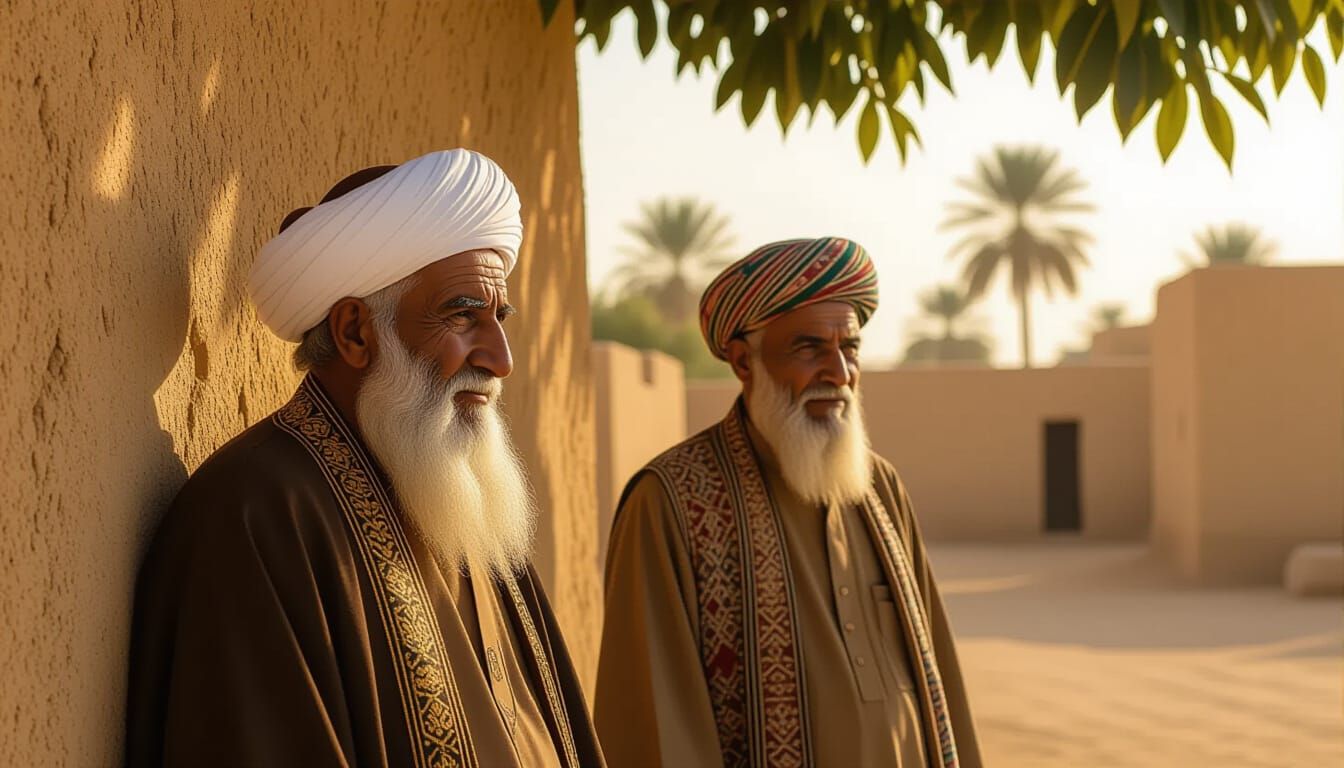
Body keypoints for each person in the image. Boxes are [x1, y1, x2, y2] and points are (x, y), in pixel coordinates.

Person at [126, 149, 603, 768]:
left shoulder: (466, 513)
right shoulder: (257, 514)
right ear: (355, 332)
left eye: (499, 318)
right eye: (461, 315)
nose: (500, 357)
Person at [594, 237, 981, 768]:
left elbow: (943, 684)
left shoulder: (880, 488)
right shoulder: (672, 502)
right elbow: (657, 729)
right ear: (742, 360)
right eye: (809, 348)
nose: (838, 373)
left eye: (849, 349)